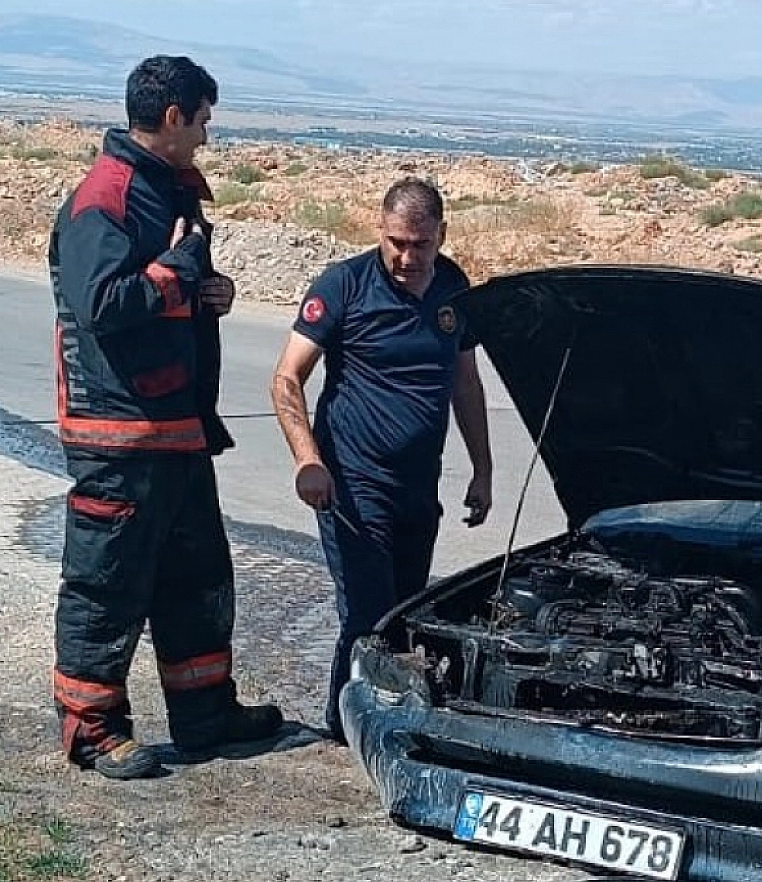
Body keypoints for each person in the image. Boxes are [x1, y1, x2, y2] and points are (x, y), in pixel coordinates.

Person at [48, 54, 281, 779]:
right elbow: (103, 306)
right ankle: (91, 730)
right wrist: (178, 271)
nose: (209, 137)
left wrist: (209, 289)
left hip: (177, 430)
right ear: (174, 116)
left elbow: (169, 290)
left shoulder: (162, 189)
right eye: (205, 120)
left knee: (198, 579)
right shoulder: (106, 196)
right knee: (108, 584)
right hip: (118, 436)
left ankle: (206, 717)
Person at [270, 177, 494, 743]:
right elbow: (286, 378)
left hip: (418, 489)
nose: (406, 256)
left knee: (407, 614)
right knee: (368, 617)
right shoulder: (344, 286)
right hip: (351, 485)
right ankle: (345, 730)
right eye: (395, 241)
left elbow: (465, 383)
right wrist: (307, 461)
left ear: (442, 235)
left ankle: (382, 721)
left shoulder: (453, 287)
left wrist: (483, 469)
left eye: (420, 244)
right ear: (380, 230)